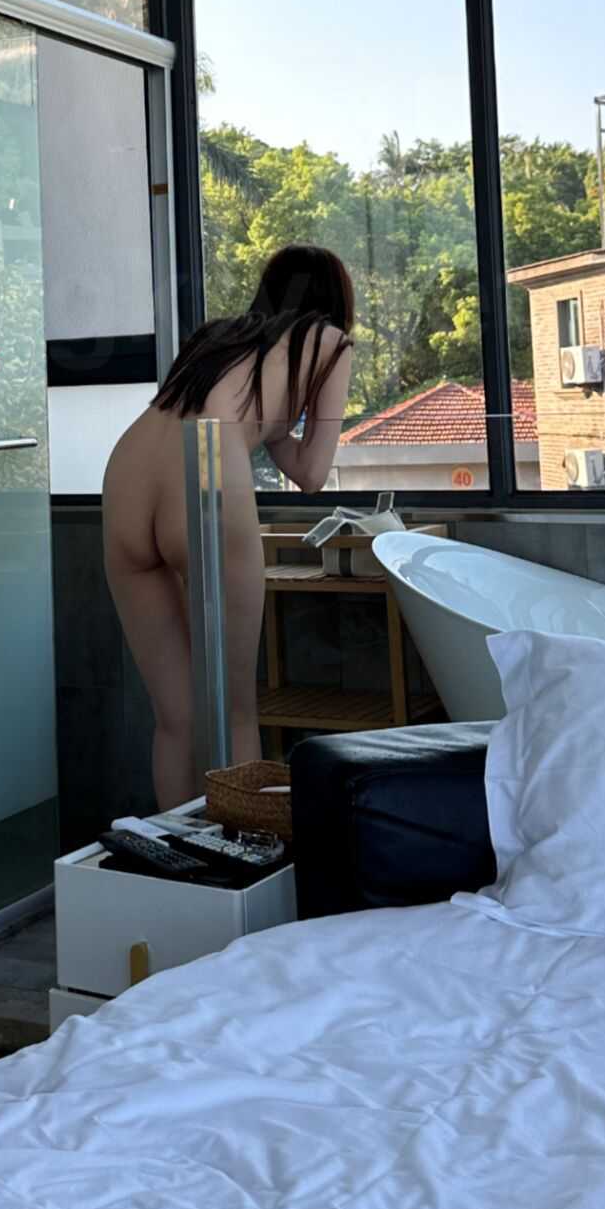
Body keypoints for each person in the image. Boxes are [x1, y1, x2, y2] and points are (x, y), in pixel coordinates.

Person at [102, 245, 355, 808]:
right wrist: (279, 423)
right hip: (205, 470)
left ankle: (175, 853)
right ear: (336, 298)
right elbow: (311, 473)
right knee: (234, 708)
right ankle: (237, 853)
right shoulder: (331, 342)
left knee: (176, 717)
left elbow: (219, 411)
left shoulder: (215, 337)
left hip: (127, 472)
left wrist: (269, 420)